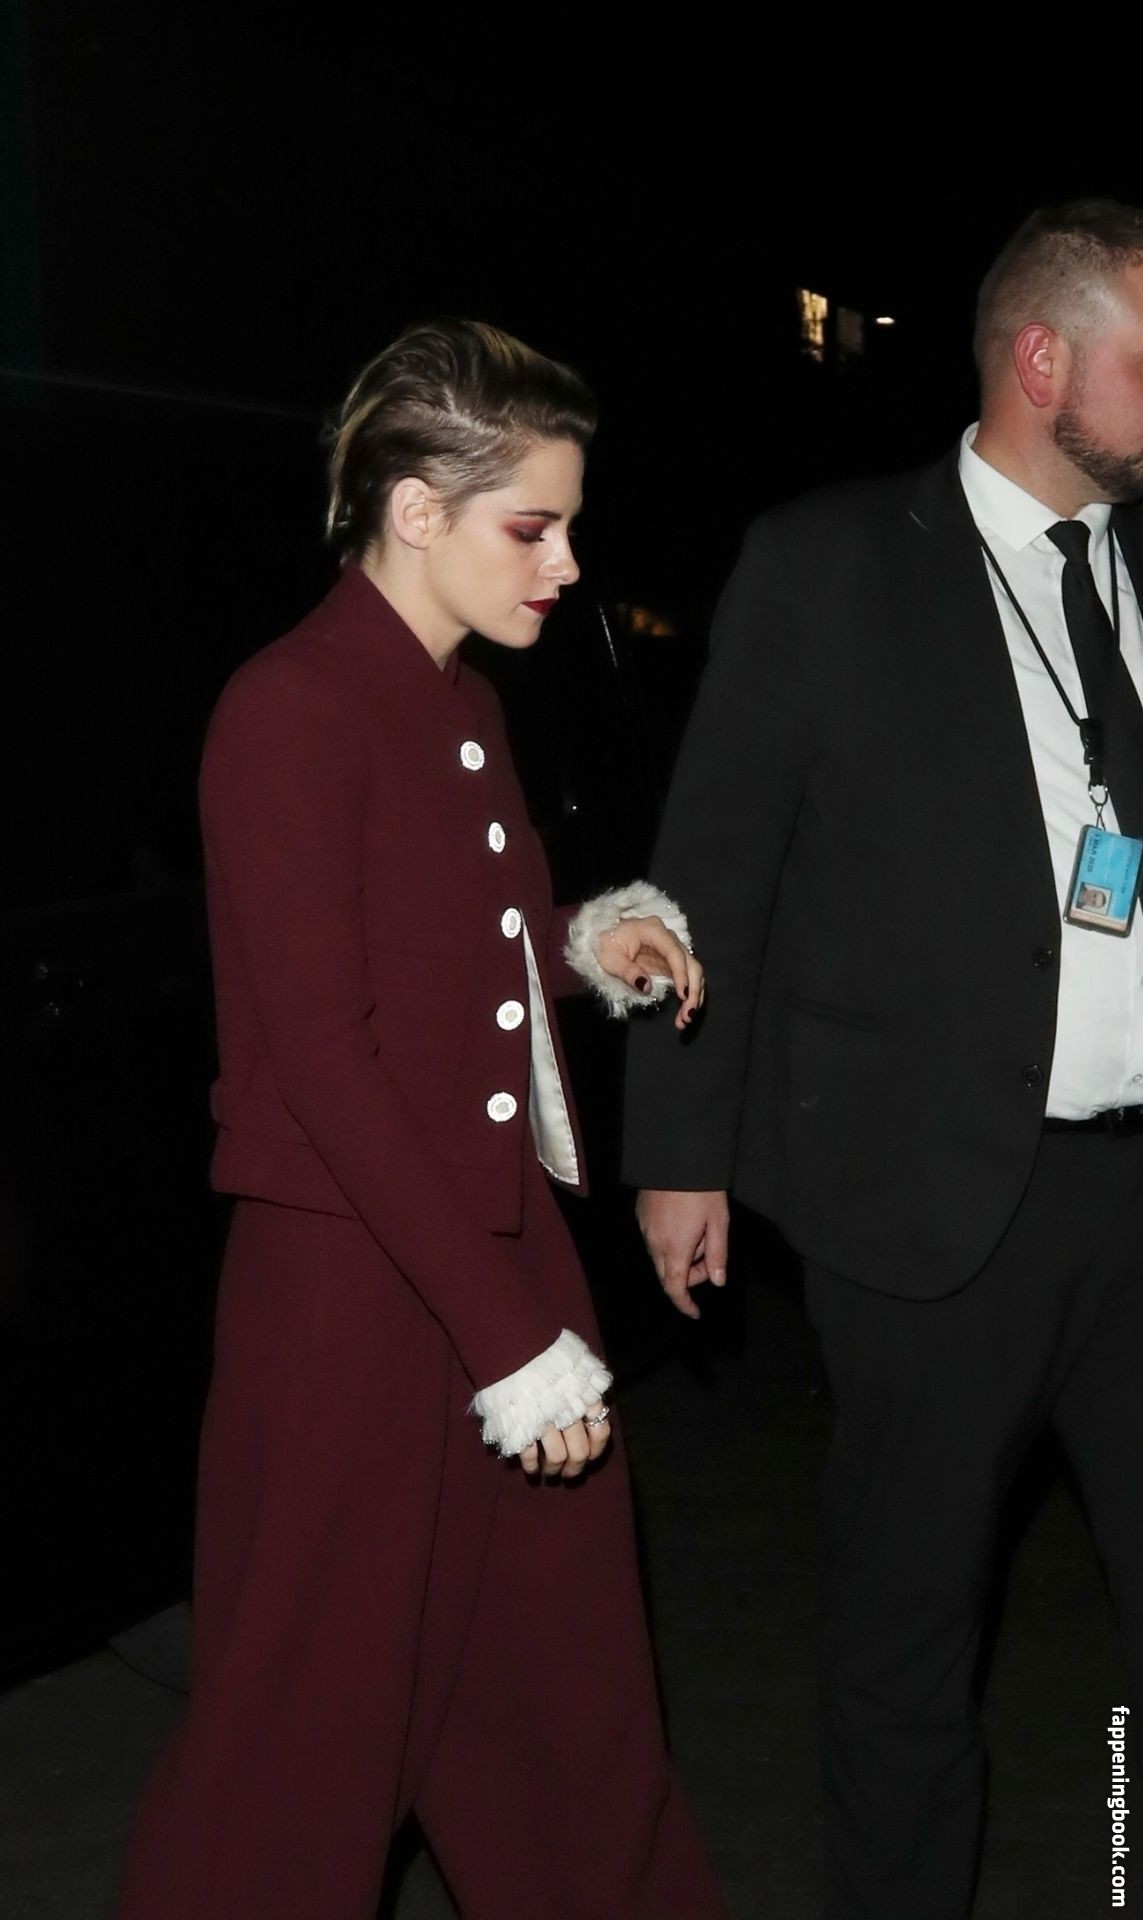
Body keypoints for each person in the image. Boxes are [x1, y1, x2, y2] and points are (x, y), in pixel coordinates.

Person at [118, 320, 729, 1920]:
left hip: (492, 1254)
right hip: (355, 1300)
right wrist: (507, 1340)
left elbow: (451, 959)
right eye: (533, 527)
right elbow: (323, 1059)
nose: (567, 564)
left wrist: (585, 946)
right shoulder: (291, 707)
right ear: (414, 508)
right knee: (302, 1739)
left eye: (568, 526)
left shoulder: (459, 701)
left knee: (570, 1711)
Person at [623, 199, 1143, 1919]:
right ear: (1042, 358)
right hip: (929, 1199)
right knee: (909, 1639)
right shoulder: (832, 560)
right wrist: (679, 1152)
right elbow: (713, 873)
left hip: (1139, 1197)